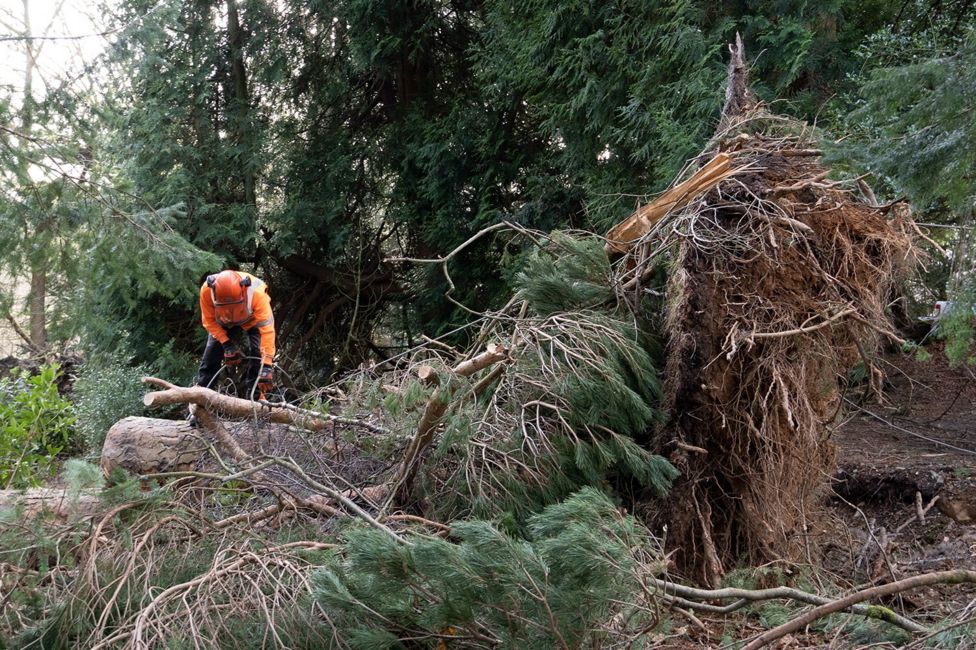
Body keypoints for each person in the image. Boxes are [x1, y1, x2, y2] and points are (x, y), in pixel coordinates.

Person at [196, 269, 275, 399]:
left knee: (258, 353)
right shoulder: (207, 290)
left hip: (251, 320)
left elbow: (267, 331)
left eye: (232, 306)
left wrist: (266, 365)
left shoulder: (256, 293)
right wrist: (226, 344)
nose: (230, 309)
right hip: (223, 320)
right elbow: (209, 322)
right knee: (211, 355)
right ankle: (199, 399)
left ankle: (257, 401)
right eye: (226, 305)